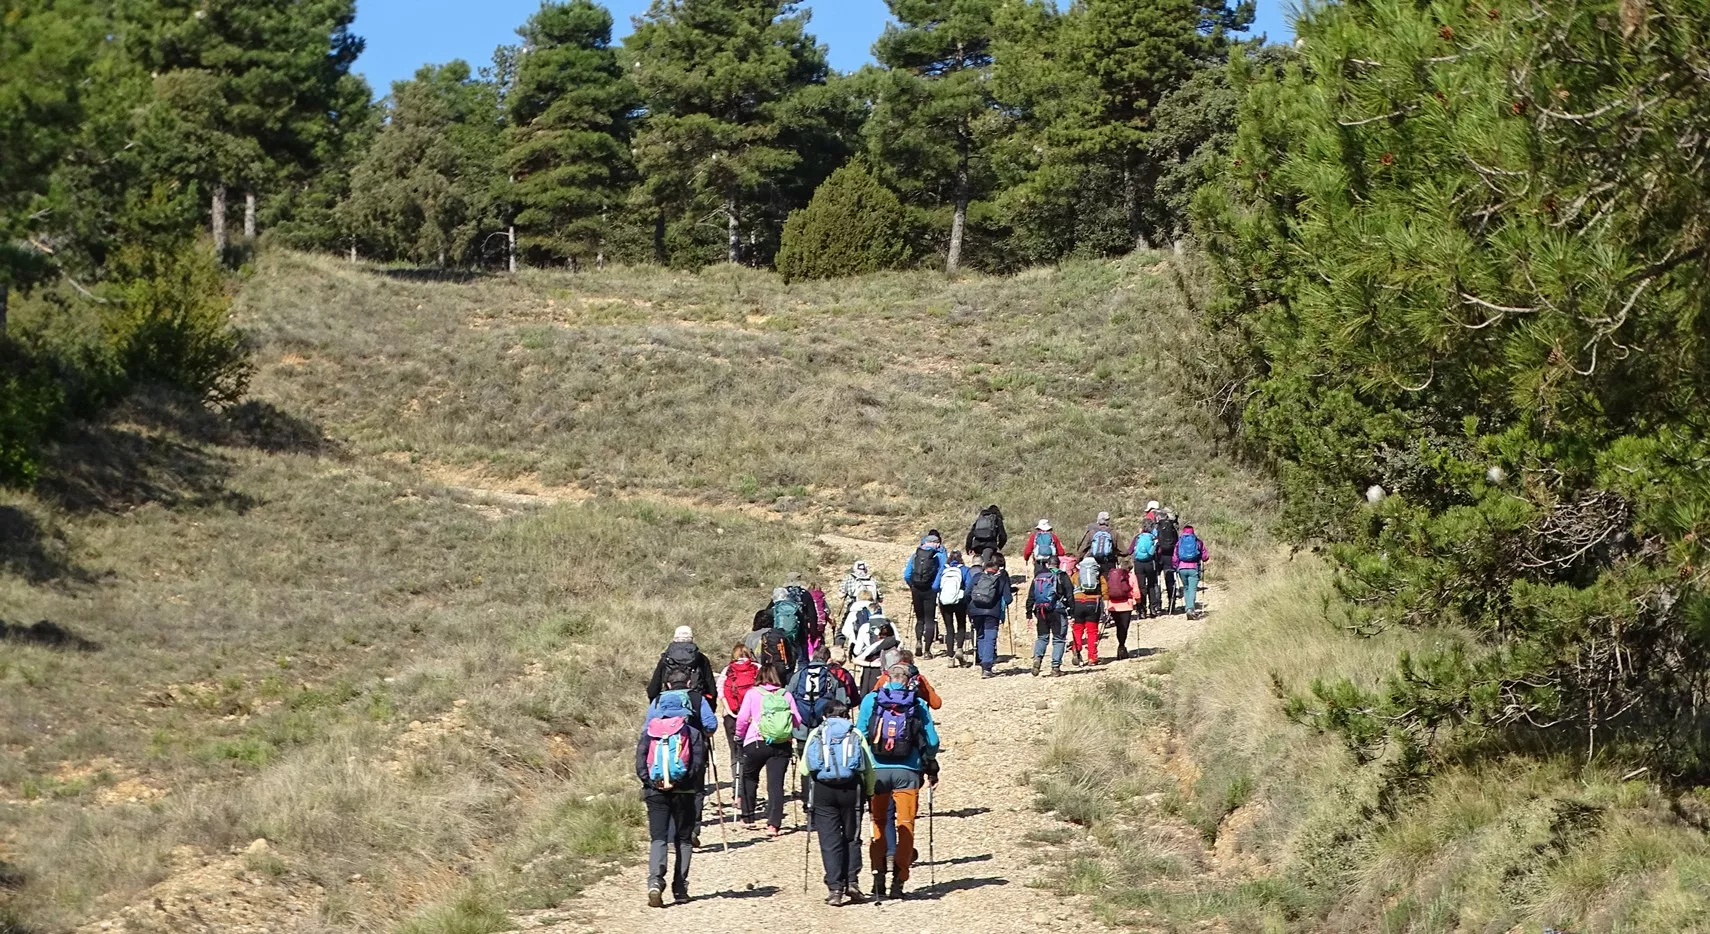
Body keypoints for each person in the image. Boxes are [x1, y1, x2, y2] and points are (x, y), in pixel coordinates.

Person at [857, 664, 941, 900]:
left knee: (879, 823)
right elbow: (932, 741)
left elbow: (860, 733)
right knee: (906, 824)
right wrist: (929, 760)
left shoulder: (871, 700)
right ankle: (899, 881)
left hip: (877, 772)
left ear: (886, 678)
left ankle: (878, 876)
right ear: (907, 681)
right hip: (908, 772)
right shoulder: (918, 703)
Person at [636, 687, 711, 907]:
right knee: (683, 839)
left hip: (655, 792)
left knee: (659, 838)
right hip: (685, 792)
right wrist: (682, 782)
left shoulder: (649, 731)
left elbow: (640, 763)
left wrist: (651, 783)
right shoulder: (692, 732)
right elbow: (697, 765)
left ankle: (655, 882)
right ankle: (680, 888)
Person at [799, 700, 878, 906]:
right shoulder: (855, 733)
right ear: (846, 715)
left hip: (823, 792)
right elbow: (868, 767)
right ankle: (852, 881)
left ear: (824, 716)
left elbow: (805, 769)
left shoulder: (817, 733)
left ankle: (835, 889)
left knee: (829, 840)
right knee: (851, 836)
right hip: (852, 789)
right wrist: (870, 792)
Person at [733, 664, 802, 837]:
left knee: (749, 777)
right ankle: (773, 825)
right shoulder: (786, 694)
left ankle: (748, 817)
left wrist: (739, 736)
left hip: (756, 741)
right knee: (775, 784)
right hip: (781, 744)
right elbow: (798, 720)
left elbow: (742, 719)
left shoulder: (752, 693)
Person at [788, 645, 852, 749]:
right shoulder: (832, 678)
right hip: (824, 728)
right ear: (828, 659)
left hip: (801, 729)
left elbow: (787, 697)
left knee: (804, 754)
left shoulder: (798, 675)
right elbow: (842, 702)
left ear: (812, 656)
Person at [719, 644, 759, 791]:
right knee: (752, 751)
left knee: (735, 751)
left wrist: (729, 711)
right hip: (752, 718)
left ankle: (737, 786)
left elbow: (721, 692)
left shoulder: (728, 670)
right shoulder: (757, 668)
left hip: (732, 716)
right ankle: (749, 785)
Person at [646, 626, 717, 709]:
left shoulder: (666, 659)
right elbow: (711, 687)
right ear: (691, 639)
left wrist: (655, 707)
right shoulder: (701, 659)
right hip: (695, 704)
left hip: (669, 703)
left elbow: (653, 689)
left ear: (674, 639)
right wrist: (710, 708)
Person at [902, 532, 948, 657]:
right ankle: (927, 651)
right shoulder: (939, 555)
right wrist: (936, 587)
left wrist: (911, 585)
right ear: (936, 543)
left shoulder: (916, 554)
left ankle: (918, 642)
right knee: (930, 620)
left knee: (920, 619)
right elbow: (943, 571)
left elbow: (906, 574)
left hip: (916, 589)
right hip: (930, 590)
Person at [967, 552, 1013, 678]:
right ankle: (987, 667)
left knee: (980, 635)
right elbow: (1008, 599)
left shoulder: (977, 577)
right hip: (992, 612)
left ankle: (983, 662)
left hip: (975, 611)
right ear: (996, 569)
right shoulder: (1000, 578)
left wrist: (969, 609)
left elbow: (967, 593)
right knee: (990, 637)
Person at [1026, 557, 1072, 676]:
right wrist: (1072, 611)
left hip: (1040, 610)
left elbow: (1031, 595)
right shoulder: (1062, 576)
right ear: (1059, 564)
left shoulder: (1039, 576)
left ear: (1047, 564)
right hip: (1058, 610)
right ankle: (1055, 667)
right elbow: (1070, 594)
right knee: (1059, 638)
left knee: (1042, 637)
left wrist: (1029, 612)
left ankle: (1037, 659)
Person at [936, 550, 974, 667]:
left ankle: (950, 657)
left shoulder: (943, 569)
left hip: (945, 602)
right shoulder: (965, 569)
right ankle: (959, 649)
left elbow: (935, 586)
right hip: (960, 601)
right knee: (961, 625)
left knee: (949, 628)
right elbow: (969, 586)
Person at [851, 613, 899, 699]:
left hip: (873, 673)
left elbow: (856, 654)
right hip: (893, 676)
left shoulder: (874, 642)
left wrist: (870, 664)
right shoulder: (895, 640)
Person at [1070, 555, 1105, 667]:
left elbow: (1070, 589)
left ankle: (1077, 650)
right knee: (1092, 631)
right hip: (1093, 604)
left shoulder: (1076, 575)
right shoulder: (1098, 575)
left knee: (1077, 629)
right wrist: (1107, 603)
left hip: (1077, 603)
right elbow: (1105, 589)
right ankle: (1092, 658)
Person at [839, 561, 882, 646]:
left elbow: (841, 595)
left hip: (854, 606)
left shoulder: (849, 578)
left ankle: (838, 647)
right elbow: (880, 597)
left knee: (842, 629)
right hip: (872, 608)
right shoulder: (872, 579)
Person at [1105, 556, 1138, 659]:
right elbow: (1136, 591)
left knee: (1119, 626)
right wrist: (1138, 602)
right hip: (1126, 605)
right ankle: (1122, 646)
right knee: (1124, 627)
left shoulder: (1112, 575)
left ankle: (1121, 647)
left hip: (1113, 605)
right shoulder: (1131, 576)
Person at [1174, 523, 1209, 618]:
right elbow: (1205, 556)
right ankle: (1190, 608)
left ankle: (1187, 608)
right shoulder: (1198, 542)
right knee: (1192, 589)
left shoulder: (1179, 542)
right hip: (1194, 568)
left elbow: (1175, 557)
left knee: (1185, 588)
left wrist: (1175, 566)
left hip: (1182, 568)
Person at [1130, 523, 1162, 619]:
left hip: (1138, 564)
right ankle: (1153, 608)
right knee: (1151, 585)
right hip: (1150, 563)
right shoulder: (1153, 538)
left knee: (1141, 586)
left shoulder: (1137, 537)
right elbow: (1159, 551)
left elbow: (1130, 550)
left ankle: (1142, 610)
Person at [1154, 508, 1182, 615]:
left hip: (1158, 556)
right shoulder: (1172, 527)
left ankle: (1157, 605)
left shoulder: (1157, 527)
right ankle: (1172, 603)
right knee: (1170, 579)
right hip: (1169, 556)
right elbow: (1177, 541)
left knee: (1157, 580)